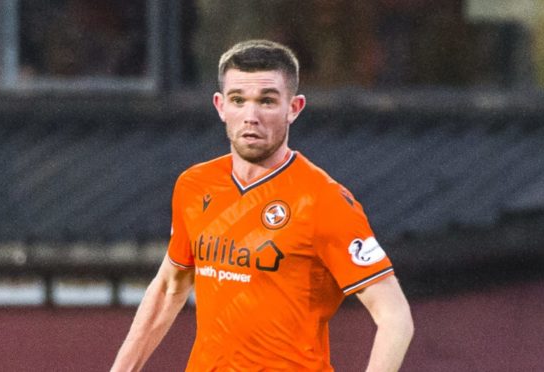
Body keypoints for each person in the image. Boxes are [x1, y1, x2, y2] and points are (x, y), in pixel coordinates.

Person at [111, 39, 414, 372]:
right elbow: (171, 286)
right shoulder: (194, 186)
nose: (250, 116)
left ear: (294, 107)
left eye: (267, 101)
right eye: (238, 100)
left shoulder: (322, 199)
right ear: (220, 105)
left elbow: (395, 317)